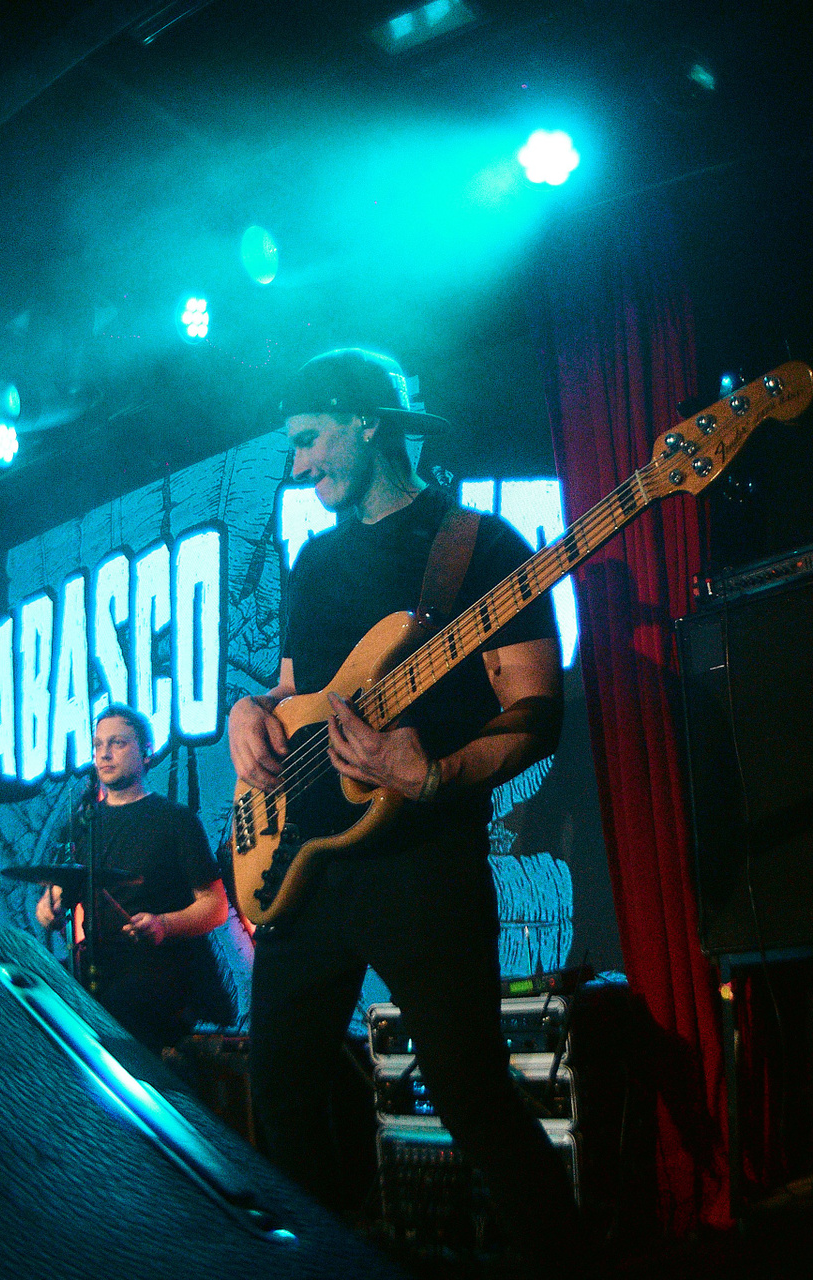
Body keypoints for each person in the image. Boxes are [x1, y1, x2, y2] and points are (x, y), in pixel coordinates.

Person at [227, 349, 582, 1254]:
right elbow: (297, 693)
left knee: (471, 1097)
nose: (298, 465)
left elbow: (536, 712)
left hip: (423, 862)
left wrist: (434, 774)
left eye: (310, 439)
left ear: (366, 421)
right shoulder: (314, 561)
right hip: (308, 866)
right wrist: (248, 712)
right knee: (283, 1093)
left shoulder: (479, 546)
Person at [37, 703, 230, 1052]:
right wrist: (47, 908)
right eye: (98, 745)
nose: (104, 754)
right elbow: (58, 889)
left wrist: (164, 924)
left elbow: (215, 907)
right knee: (33, 996)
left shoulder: (175, 820)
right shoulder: (82, 824)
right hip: (98, 961)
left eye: (117, 743)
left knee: (118, 1009)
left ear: (146, 752)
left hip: (157, 967)